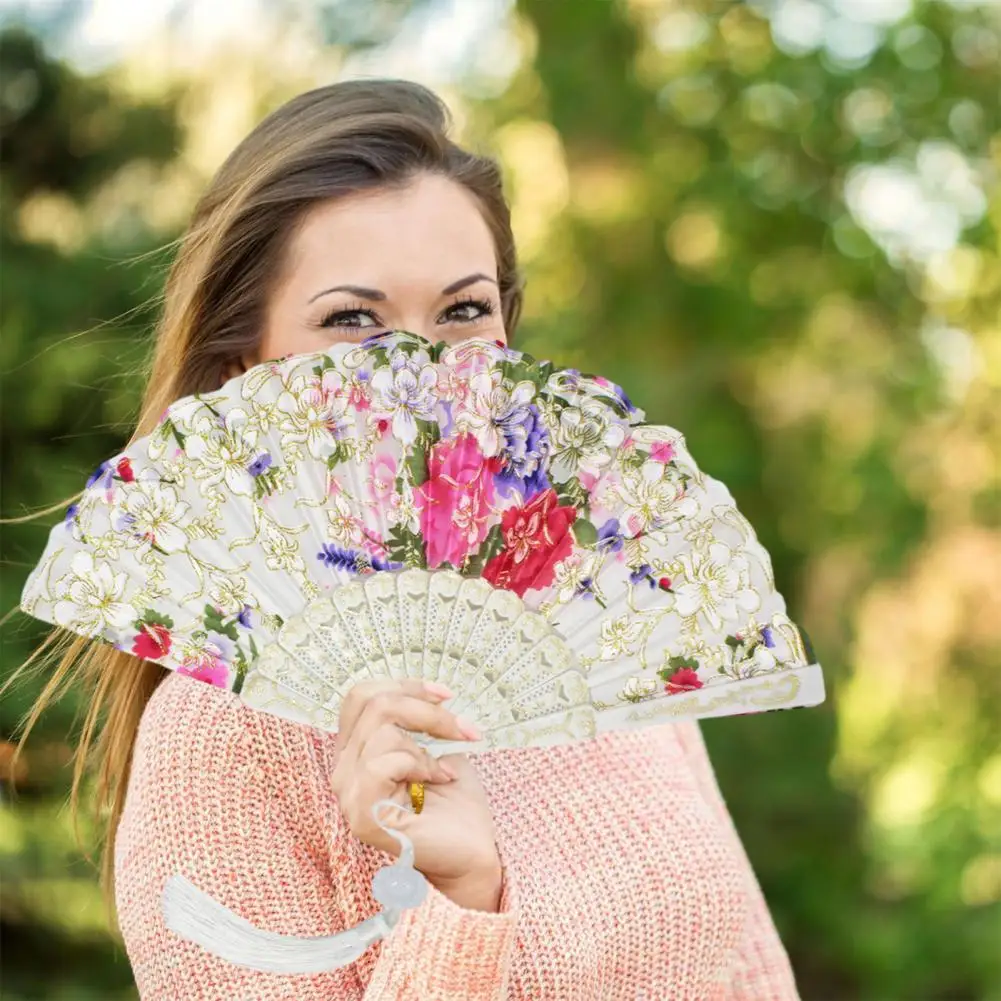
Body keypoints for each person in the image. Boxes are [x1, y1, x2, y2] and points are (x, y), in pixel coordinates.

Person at [6, 80, 801, 999]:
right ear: (242, 368)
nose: (418, 369)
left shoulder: (610, 640)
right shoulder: (218, 742)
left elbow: (748, 972)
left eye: (462, 312)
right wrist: (459, 899)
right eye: (354, 321)